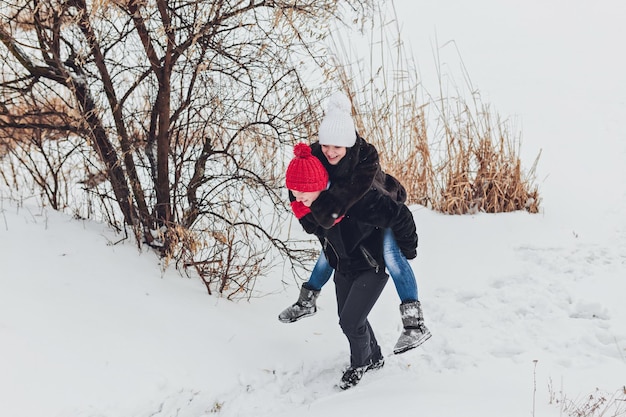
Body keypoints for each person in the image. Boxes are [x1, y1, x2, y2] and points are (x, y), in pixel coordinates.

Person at [279, 92, 431, 354]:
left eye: (337, 147)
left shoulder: (365, 175)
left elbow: (395, 213)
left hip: (384, 209)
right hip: (342, 208)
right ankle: (307, 301)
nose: (330, 151)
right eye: (326, 145)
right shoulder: (319, 156)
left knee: (391, 256)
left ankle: (415, 324)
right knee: (329, 251)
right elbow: (302, 182)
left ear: (348, 146)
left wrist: (409, 247)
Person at [284, 142, 418, 389]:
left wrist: (407, 249)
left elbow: (400, 215)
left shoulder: (354, 203)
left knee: (350, 321)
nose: (297, 197)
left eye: (302, 191)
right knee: (350, 318)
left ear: (317, 186)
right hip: (344, 266)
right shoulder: (309, 207)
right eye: (293, 191)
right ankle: (374, 356)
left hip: (370, 266)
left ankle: (359, 364)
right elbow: (323, 236)